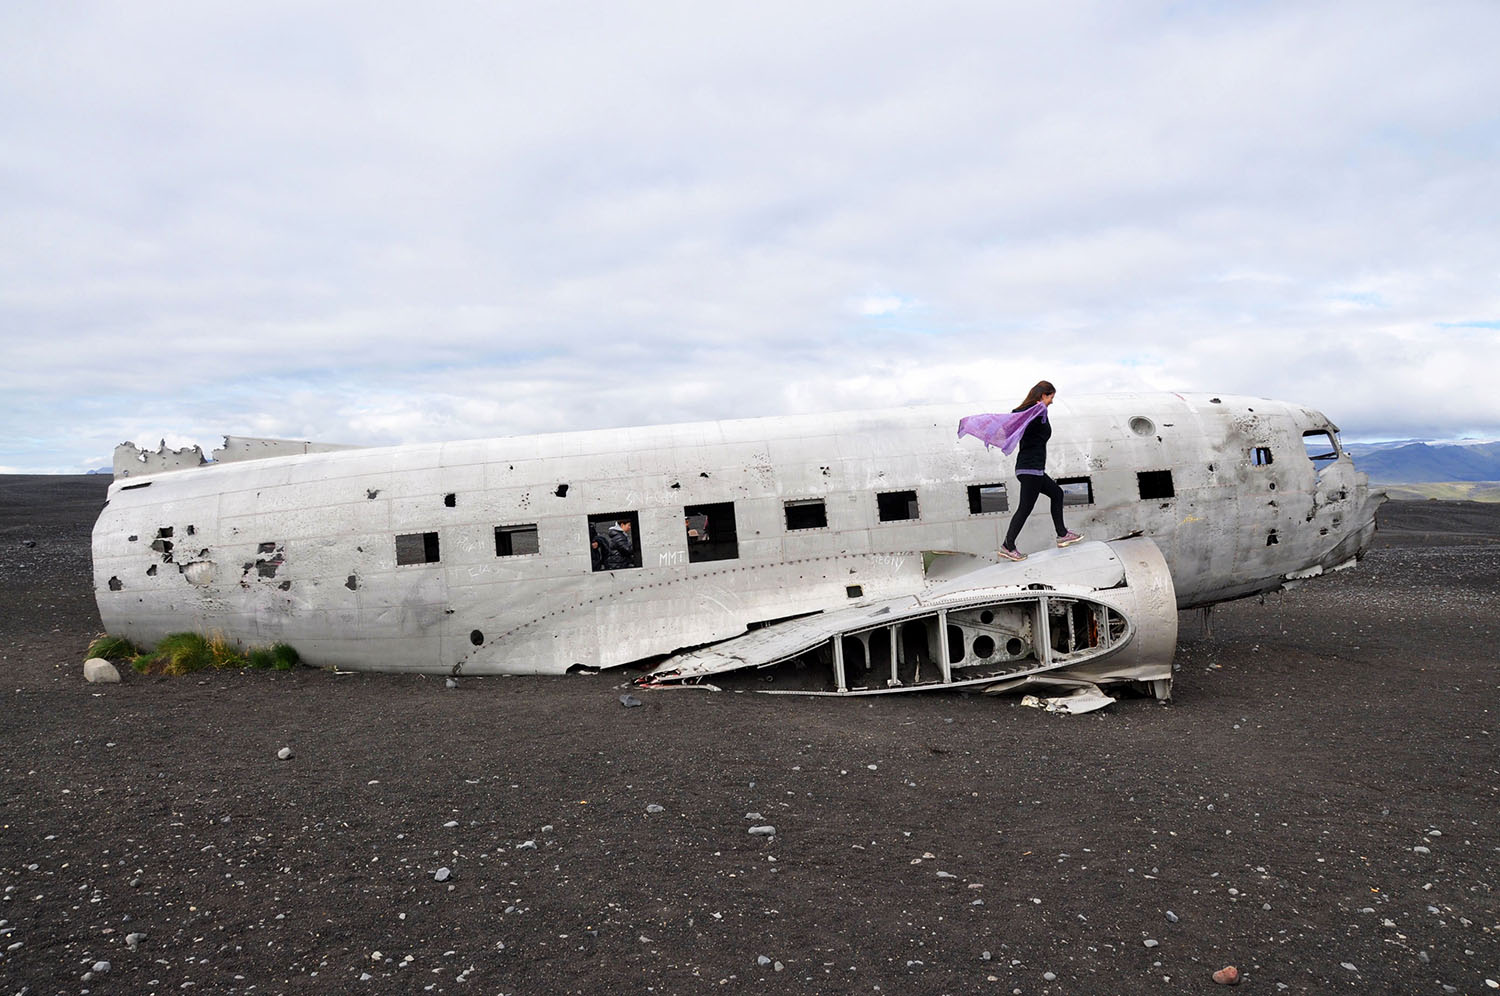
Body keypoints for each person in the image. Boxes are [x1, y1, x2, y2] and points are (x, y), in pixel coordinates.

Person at [998, 380, 1083, 561]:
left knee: (1057, 493)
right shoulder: (1034, 412)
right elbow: (1015, 417)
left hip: (1031, 468)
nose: (1052, 401)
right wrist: (1035, 411)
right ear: (1043, 395)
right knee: (1025, 508)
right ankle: (1008, 545)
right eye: (1050, 397)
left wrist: (1035, 411)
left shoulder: (1034, 412)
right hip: (1031, 468)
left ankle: (1062, 534)